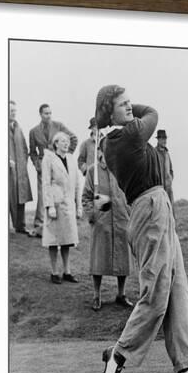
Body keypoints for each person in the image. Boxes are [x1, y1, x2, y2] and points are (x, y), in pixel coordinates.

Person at [95, 84, 188, 373]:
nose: (131, 108)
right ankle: (118, 354)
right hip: (149, 209)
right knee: (156, 296)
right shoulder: (121, 138)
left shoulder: (129, 136)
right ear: (109, 113)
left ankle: (187, 366)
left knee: (178, 291)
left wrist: (121, 108)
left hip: (161, 209)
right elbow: (153, 113)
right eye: (123, 104)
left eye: (131, 103)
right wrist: (121, 112)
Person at [82, 146, 134, 311]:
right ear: (99, 152)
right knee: (99, 259)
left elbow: (131, 192)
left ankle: (121, 294)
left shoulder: (122, 169)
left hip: (121, 220)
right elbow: (86, 197)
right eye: (104, 150)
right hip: (102, 222)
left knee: (123, 258)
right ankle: (96, 296)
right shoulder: (93, 171)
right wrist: (93, 216)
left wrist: (129, 212)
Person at [29, 104, 78, 238]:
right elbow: (32, 152)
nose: (49, 116)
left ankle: (59, 223)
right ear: (40, 114)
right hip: (42, 166)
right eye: (46, 113)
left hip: (57, 165)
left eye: (50, 113)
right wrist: (37, 164)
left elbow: (73, 139)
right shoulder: (33, 131)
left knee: (59, 193)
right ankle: (39, 227)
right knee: (42, 194)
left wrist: (65, 156)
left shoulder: (59, 126)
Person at [41, 131, 82, 284]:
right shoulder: (49, 159)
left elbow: (77, 184)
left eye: (67, 141)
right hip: (55, 205)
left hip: (68, 204)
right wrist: (49, 205)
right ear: (56, 143)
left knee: (67, 239)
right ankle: (54, 271)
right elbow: (45, 183)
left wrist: (79, 206)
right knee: (53, 239)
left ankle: (67, 271)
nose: (66, 143)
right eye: (63, 141)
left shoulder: (71, 159)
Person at [9, 100, 33, 234]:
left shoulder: (18, 127)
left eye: (14, 111)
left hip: (20, 171)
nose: (13, 113)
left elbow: (24, 147)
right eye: (11, 111)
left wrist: (23, 162)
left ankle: (20, 226)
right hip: (7, 172)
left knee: (21, 197)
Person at [155, 129, 175, 217]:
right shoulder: (154, 153)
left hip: (168, 189)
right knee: (159, 214)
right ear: (158, 140)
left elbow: (171, 170)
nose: (164, 141)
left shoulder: (167, 154)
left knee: (170, 213)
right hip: (158, 189)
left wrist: (170, 179)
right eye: (162, 138)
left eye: (165, 138)